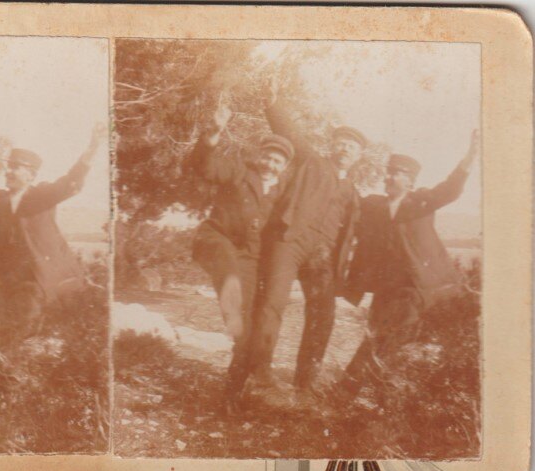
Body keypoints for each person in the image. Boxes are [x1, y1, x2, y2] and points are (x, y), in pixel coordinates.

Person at [335, 130, 480, 403]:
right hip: (386, 286)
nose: (389, 178)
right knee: (376, 334)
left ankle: (350, 390)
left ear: (410, 181)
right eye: (388, 173)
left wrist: (471, 154)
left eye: (397, 174)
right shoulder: (374, 205)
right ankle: (366, 391)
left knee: (390, 336)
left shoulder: (421, 201)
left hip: (417, 285)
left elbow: (451, 188)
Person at [0, 124, 106, 392]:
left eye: (17, 168)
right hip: (8, 281)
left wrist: (92, 148)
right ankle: (1, 383)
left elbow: (70, 183)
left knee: (14, 328)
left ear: (31, 174)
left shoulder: (40, 196)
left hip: (39, 279)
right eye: (9, 167)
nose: (10, 172)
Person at [249, 95, 368, 399]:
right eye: (341, 142)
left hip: (322, 257)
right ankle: (259, 372)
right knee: (273, 304)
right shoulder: (312, 161)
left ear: (358, 156)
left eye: (351, 146)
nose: (345, 148)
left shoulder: (353, 192)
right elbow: (288, 131)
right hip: (290, 242)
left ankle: (305, 381)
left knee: (323, 315)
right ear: (333, 146)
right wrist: (273, 102)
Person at [188, 102, 295, 413]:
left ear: (283, 166)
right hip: (219, 239)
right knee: (229, 270)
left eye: (277, 161)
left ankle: (231, 397)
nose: (270, 164)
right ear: (259, 156)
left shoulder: (284, 195)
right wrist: (212, 135)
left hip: (250, 259)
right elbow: (206, 166)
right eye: (267, 157)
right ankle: (231, 308)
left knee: (247, 338)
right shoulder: (238, 172)